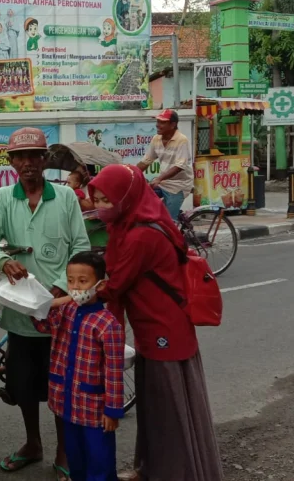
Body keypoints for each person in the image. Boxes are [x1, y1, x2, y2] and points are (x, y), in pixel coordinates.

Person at [88, 164, 223, 481]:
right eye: (96, 199)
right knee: (154, 404)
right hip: (156, 326)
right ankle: (153, 467)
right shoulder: (137, 222)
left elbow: (116, 283)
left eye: (105, 200)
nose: (99, 207)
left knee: (168, 409)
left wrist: (75, 293)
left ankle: (175, 472)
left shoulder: (141, 236)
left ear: (125, 197)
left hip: (164, 329)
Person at [0, 127, 91, 480]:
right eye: (20, 157)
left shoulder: (67, 198)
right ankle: (33, 443)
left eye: (34, 156)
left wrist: (61, 286)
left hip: (58, 310)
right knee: (24, 385)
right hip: (21, 312)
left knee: (60, 384)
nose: (27, 163)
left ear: (44, 160)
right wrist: (1, 260)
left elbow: (80, 246)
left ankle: (63, 449)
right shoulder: (2, 199)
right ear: (11, 162)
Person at [32, 251, 125, 481]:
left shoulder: (107, 324)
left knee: (99, 466)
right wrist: (62, 300)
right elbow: (41, 323)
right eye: (71, 281)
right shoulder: (66, 310)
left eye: (83, 281)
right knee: (76, 462)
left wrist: (112, 411)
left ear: (100, 284)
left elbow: (114, 371)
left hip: (94, 411)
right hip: (67, 405)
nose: (75, 287)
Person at [137, 110, 193, 221]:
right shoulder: (156, 139)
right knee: (141, 201)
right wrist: (131, 173)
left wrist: (159, 179)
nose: (157, 125)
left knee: (168, 222)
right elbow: (146, 161)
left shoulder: (182, 140)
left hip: (178, 185)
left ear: (173, 125)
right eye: (157, 121)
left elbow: (179, 166)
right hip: (163, 183)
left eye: (162, 122)